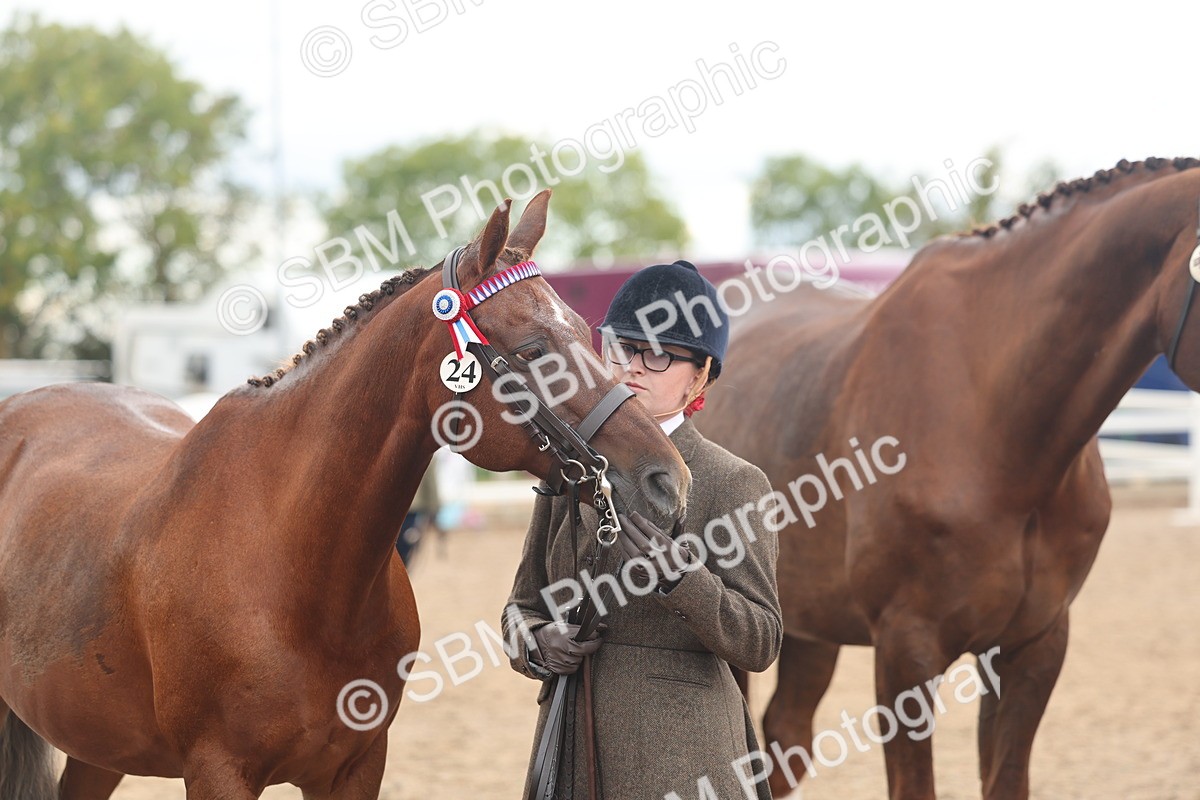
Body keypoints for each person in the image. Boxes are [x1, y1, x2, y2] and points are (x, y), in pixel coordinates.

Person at [503, 260, 782, 799]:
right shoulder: (570, 467)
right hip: (570, 750)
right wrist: (537, 643)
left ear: (700, 376)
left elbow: (761, 640)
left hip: (683, 760)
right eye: (621, 347)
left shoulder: (735, 482)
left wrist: (683, 578)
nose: (631, 366)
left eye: (657, 355)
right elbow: (520, 605)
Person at [395, 463, 442, 566]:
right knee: (404, 549)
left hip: (395, 507)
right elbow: (430, 483)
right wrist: (434, 509)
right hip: (411, 509)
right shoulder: (425, 450)